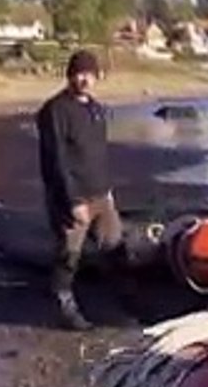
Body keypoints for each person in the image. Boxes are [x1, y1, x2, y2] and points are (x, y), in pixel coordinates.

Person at [35, 50, 135, 331]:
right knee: (69, 255)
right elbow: (55, 159)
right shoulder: (54, 110)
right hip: (72, 197)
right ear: (70, 75)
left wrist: (108, 190)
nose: (84, 79)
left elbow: (98, 153)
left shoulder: (95, 109)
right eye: (79, 73)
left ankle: (123, 303)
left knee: (115, 246)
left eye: (89, 74)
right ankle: (63, 306)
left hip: (101, 193)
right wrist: (72, 200)